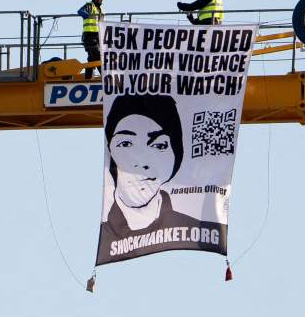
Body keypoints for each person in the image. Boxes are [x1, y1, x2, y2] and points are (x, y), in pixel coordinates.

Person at [96, 93, 224, 264]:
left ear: (176, 155)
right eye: (126, 143)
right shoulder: (105, 228)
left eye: (159, 145)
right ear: (109, 149)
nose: (141, 161)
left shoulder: (198, 227)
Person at [77, 0, 104, 77]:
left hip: (97, 38)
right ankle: (105, 77)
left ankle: (87, 79)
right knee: (98, 56)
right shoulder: (90, 6)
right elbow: (80, 11)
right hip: (89, 36)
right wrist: (86, 15)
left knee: (92, 59)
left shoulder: (100, 11)